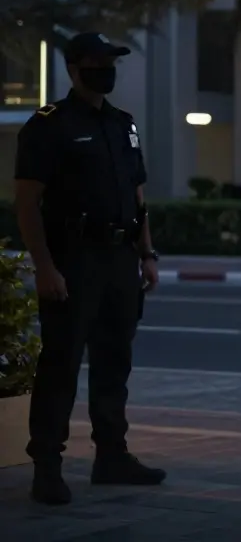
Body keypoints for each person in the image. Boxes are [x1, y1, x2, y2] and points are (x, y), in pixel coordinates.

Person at [14, 32, 165, 506]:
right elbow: (26, 203)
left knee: (113, 362)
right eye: (99, 62)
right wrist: (44, 267)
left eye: (112, 61)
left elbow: (138, 196)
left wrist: (147, 254)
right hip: (73, 260)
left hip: (120, 259)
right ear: (76, 68)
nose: (108, 69)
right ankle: (47, 466)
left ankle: (112, 457)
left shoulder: (123, 124)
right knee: (60, 364)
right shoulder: (48, 125)